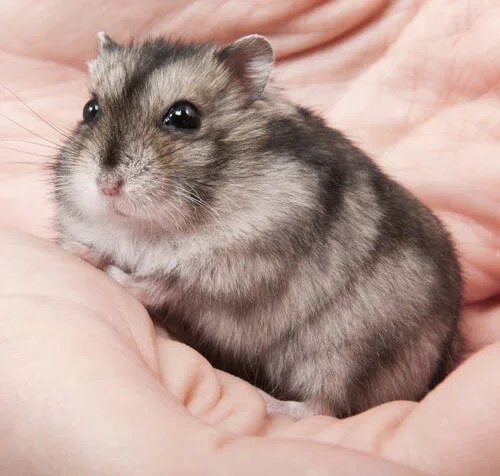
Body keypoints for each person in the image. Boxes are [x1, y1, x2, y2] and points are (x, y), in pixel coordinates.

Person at [0, 1, 499, 474]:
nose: (108, 175)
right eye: (94, 113)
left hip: (352, 338)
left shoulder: (282, 185)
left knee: (401, 286)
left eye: (180, 120)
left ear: (245, 85)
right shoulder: (87, 174)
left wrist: (172, 284)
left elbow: (258, 273)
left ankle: (320, 403)